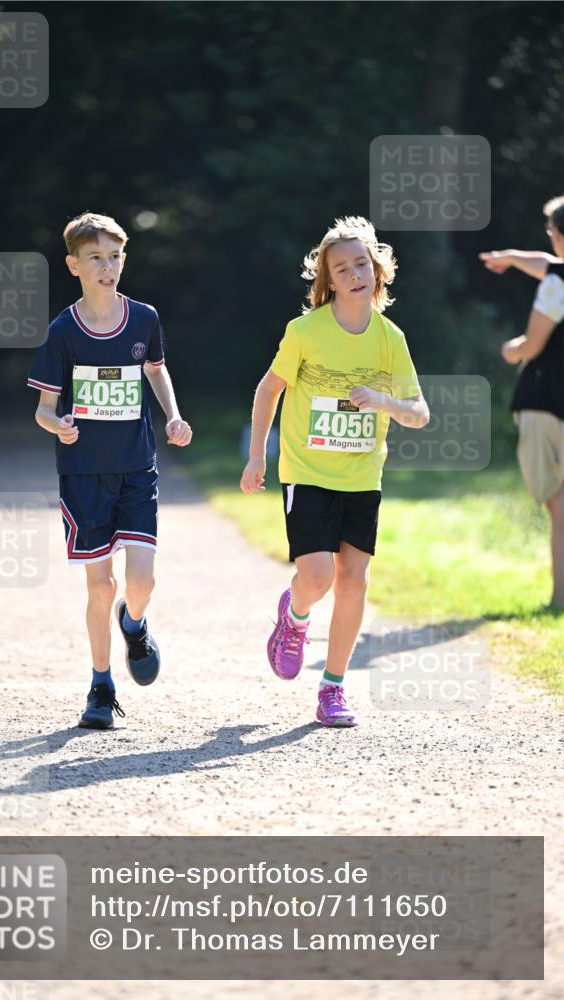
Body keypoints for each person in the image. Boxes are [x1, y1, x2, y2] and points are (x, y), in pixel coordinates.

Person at [240, 216, 429, 727]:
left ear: (378, 270)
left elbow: (419, 413)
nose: (354, 274)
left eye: (361, 264)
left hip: (362, 477)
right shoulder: (305, 331)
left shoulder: (391, 338)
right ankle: (295, 617)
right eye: (341, 268)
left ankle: (333, 689)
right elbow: (268, 390)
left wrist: (382, 400)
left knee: (354, 582)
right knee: (317, 577)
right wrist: (258, 455)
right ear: (328, 281)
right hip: (307, 471)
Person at [28, 212, 192, 728]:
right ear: (74, 264)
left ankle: (135, 623)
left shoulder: (144, 318)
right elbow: (43, 409)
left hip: (136, 468)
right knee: (100, 586)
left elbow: (156, 371)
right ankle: (101, 686)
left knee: (140, 581)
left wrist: (173, 415)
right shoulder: (63, 332)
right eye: (96, 257)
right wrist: (60, 426)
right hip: (83, 474)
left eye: (115, 256)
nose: (108, 266)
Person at [479, 195, 564, 609]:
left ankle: (559, 598)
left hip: (547, 402)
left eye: (551, 233)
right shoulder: (556, 272)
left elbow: (532, 345)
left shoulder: (557, 284)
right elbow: (545, 262)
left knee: (557, 502)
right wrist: (510, 257)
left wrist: (509, 350)